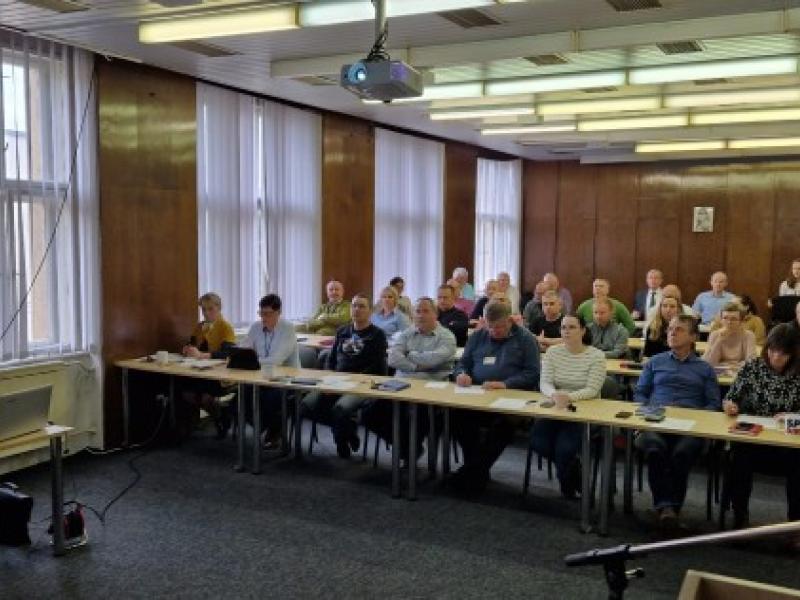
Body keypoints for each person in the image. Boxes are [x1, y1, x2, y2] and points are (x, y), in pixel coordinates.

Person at [634, 315, 721, 528]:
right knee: (655, 448)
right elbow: (640, 393)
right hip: (656, 420)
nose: (672, 333)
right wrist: (647, 412)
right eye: (670, 329)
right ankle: (667, 507)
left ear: (693, 337)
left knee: (682, 453)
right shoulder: (655, 362)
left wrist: (699, 421)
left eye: (679, 329)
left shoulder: (705, 368)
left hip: (690, 426)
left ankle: (669, 508)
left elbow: (713, 403)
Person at [449, 301, 540, 492]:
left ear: (510, 321)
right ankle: (477, 473)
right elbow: (463, 363)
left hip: (513, 398)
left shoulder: (526, 339)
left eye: (499, 327)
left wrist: (506, 383)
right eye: (490, 326)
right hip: (478, 395)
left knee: (502, 426)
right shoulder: (478, 336)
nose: (494, 331)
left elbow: (533, 374)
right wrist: (461, 374)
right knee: (457, 418)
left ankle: (471, 474)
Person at [722, 324, 800, 527]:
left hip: (789, 442)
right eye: (772, 350)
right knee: (739, 458)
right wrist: (730, 405)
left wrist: (792, 416)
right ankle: (740, 515)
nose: (776, 357)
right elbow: (731, 396)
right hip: (755, 437)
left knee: (798, 466)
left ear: (793, 353)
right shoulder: (753, 367)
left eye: (783, 353)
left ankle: (795, 523)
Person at [363, 297, 457, 460]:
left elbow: (434, 359)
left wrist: (408, 355)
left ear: (435, 314)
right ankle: (407, 447)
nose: (420, 315)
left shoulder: (447, 336)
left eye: (426, 311)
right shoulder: (407, 333)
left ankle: (408, 450)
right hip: (400, 384)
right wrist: (416, 366)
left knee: (413, 416)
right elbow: (393, 359)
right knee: (369, 414)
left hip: (430, 388)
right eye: (417, 311)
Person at [302, 294, 388, 458]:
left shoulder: (377, 335)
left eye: (361, 306)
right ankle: (348, 430)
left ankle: (341, 440)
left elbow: (377, 366)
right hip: (336, 379)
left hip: (362, 382)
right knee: (306, 406)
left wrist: (350, 382)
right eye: (354, 306)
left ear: (370, 311)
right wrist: (329, 378)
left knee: (340, 409)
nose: (357, 309)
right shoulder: (342, 331)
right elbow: (331, 359)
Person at [530, 314, 606, 498]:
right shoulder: (553, 352)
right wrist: (554, 395)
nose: (566, 331)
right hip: (556, 407)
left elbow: (592, 389)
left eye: (572, 327)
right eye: (563, 327)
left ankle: (568, 485)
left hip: (583, 411)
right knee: (538, 442)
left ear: (583, 331)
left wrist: (568, 397)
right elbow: (545, 382)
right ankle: (574, 473)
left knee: (564, 449)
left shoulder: (596, 356)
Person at [243, 294, 301, 447]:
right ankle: (263, 426)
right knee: (242, 394)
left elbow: (276, 360)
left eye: (267, 314)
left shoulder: (288, 328)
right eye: (261, 313)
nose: (263, 317)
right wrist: (243, 357)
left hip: (286, 379)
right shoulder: (256, 327)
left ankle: (273, 430)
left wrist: (253, 360)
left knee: (272, 398)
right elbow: (244, 350)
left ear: (278, 312)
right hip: (261, 376)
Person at [179, 292, 237, 438]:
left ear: (219, 308)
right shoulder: (200, 327)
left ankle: (220, 418)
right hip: (200, 371)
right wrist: (187, 349)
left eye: (210, 309)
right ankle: (218, 415)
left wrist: (202, 355)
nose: (206, 313)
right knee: (186, 394)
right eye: (203, 309)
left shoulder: (225, 327)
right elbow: (192, 344)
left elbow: (227, 353)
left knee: (205, 398)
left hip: (220, 374)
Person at [702, 302, 757, 369]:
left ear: (741, 321)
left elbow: (751, 362)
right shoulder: (715, 335)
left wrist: (730, 366)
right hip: (718, 372)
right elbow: (708, 363)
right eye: (725, 318)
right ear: (721, 320)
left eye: (733, 319)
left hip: (740, 371)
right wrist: (719, 341)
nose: (729, 322)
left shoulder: (749, 335)